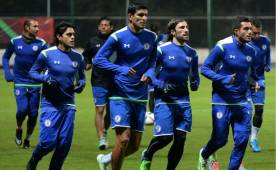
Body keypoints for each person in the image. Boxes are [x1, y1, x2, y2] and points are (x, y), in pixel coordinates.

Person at [93, 3, 157, 170]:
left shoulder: (151, 37)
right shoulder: (118, 36)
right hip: (120, 93)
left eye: (146, 15)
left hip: (140, 95)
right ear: (130, 16)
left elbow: (153, 61)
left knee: (134, 145)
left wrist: (150, 73)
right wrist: (119, 69)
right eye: (140, 15)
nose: (144, 18)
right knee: (123, 139)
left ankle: (106, 159)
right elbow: (98, 60)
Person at [197, 16, 263, 170]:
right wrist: (222, 78)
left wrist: (254, 84)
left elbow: (251, 74)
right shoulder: (222, 46)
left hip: (242, 102)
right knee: (220, 140)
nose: (250, 32)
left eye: (250, 29)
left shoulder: (252, 51)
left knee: (241, 141)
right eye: (246, 29)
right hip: (222, 101)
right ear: (236, 31)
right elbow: (205, 68)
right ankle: (205, 154)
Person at [140, 18, 200, 170]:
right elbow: (149, 72)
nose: (186, 30)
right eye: (182, 27)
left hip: (183, 101)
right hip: (164, 101)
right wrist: (160, 84)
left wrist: (195, 83)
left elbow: (195, 76)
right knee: (165, 138)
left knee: (180, 138)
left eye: (187, 27)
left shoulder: (192, 53)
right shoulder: (161, 50)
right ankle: (147, 154)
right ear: (173, 32)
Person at [26, 21, 85, 170]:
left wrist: (81, 84)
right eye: (69, 35)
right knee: (48, 143)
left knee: (64, 144)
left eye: (74, 35)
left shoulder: (78, 58)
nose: (72, 37)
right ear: (59, 36)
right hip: (50, 105)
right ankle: (34, 159)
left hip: (69, 105)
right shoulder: (47, 54)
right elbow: (32, 72)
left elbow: (81, 77)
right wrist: (45, 78)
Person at [2, 18, 48, 149]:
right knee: (22, 110)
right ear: (27, 28)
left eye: (38, 26)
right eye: (35, 26)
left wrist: (44, 74)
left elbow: (48, 60)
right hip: (20, 81)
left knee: (33, 113)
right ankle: (18, 128)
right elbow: (5, 57)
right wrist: (7, 72)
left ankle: (27, 138)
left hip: (35, 83)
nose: (38, 29)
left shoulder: (42, 43)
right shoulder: (15, 41)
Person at [82, 16, 114, 150]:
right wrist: (87, 63)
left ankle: (105, 131)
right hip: (98, 80)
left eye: (106, 25)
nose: (103, 27)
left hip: (115, 81)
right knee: (100, 109)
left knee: (111, 112)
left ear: (111, 28)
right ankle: (101, 138)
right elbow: (86, 55)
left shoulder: (116, 40)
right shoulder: (93, 41)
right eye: (101, 25)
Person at [248, 17, 271, 152]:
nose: (256, 36)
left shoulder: (265, 41)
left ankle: (253, 138)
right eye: (254, 33)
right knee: (244, 112)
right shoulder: (244, 43)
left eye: (258, 33)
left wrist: (267, 65)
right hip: (245, 81)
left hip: (259, 80)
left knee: (259, 110)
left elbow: (267, 56)